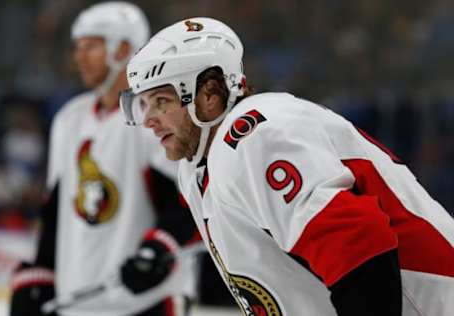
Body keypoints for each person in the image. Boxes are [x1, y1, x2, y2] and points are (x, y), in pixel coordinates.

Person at [120, 17, 454, 316]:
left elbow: (359, 246)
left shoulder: (255, 135)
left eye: (161, 101)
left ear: (209, 93)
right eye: (144, 103)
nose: (148, 119)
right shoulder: (195, 168)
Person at [9, 3, 198, 316]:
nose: (78, 57)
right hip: (78, 303)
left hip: (147, 302)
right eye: (78, 47)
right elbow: (58, 209)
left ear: (123, 49)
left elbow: (188, 204)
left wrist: (159, 248)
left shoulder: (155, 116)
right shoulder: (70, 118)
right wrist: (39, 274)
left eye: (91, 46)